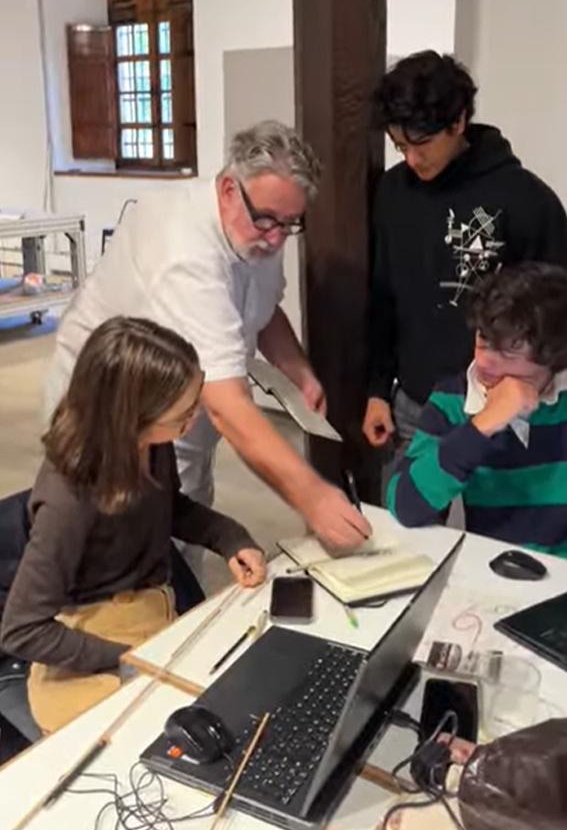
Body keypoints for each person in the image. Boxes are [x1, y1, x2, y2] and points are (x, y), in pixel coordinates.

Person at [46, 121, 370, 551]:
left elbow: (262, 308)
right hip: (114, 413)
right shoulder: (185, 253)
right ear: (229, 189)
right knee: (118, 546)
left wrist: (299, 373)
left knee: (184, 513)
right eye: (267, 220)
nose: (276, 238)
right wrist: (313, 497)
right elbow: (226, 407)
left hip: (182, 409)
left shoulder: (257, 226)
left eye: (290, 223)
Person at [1, 317, 266, 733]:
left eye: (194, 402)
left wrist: (231, 539)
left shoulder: (150, 444)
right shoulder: (69, 501)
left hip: (149, 613)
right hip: (92, 643)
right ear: (132, 417)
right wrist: (124, 657)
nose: (194, 419)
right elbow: (22, 630)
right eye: (181, 415)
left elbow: (169, 508)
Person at [362, 51, 567, 485]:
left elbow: (556, 315)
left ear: (458, 121)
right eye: (400, 146)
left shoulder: (526, 200)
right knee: (408, 515)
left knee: (501, 523)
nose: (411, 159)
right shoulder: (393, 193)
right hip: (414, 404)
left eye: (421, 144)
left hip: (501, 405)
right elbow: (383, 296)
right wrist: (377, 390)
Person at [387, 263, 567, 556]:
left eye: (511, 348)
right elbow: (404, 505)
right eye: (483, 338)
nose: (484, 361)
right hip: (493, 569)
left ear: (553, 355)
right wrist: (481, 426)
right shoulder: (453, 400)